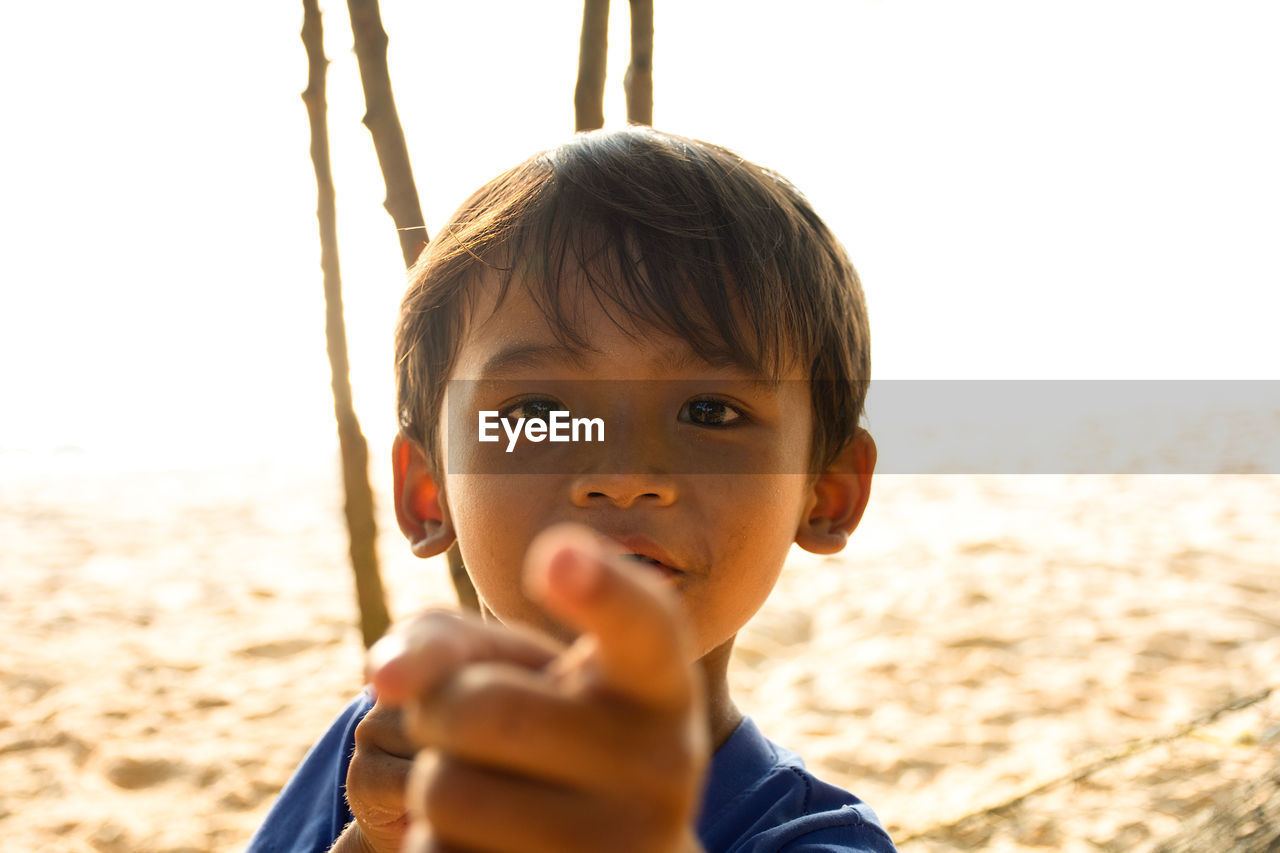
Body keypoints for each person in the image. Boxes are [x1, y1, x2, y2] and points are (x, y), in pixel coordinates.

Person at [248, 127, 896, 853]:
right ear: (428, 492)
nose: (624, 474)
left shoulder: (812, 842)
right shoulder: (383, 754)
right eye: (539, 411)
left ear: (826, 492)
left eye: (709, 410)